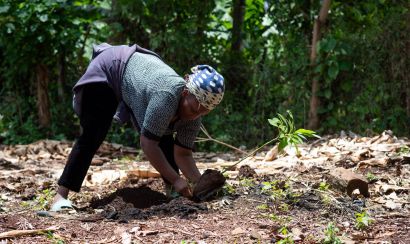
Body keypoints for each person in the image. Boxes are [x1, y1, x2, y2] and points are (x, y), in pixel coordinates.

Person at [50, 43, 225, 211]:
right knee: (94, 133)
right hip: (111, 69)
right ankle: (60, 197)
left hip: (136, 77)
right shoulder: (166, 96)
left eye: (203, 113)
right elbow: (148, 144)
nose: (195, 116)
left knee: (164, 133)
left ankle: (173, 194)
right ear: (186, 92)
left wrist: (199, 183)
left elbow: (183, 153)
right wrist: (177, 179)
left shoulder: (195, 113)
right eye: (193, 109)